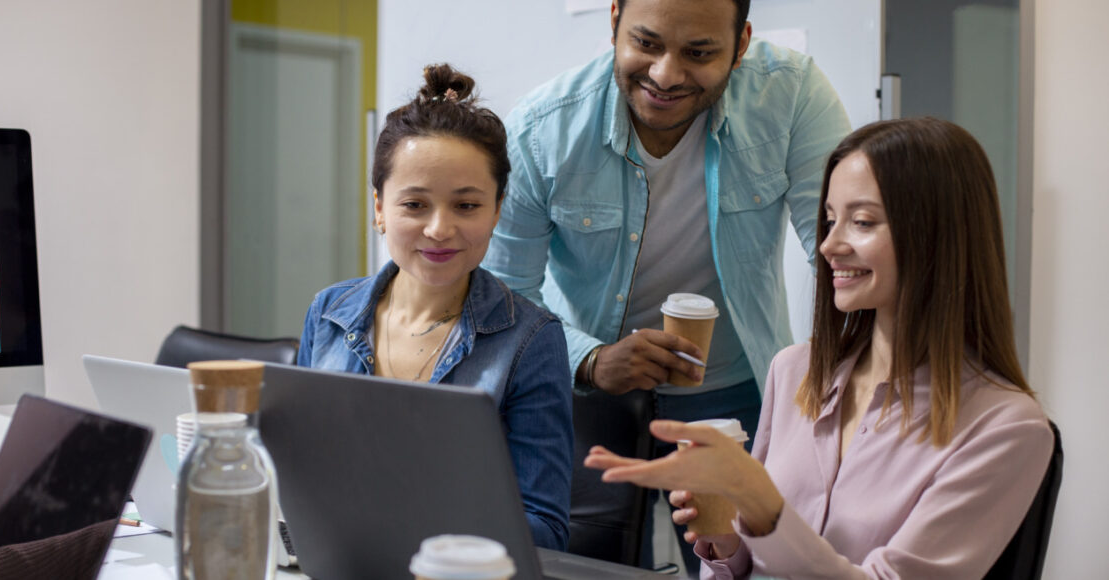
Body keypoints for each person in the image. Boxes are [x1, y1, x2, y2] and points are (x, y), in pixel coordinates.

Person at [584, 117, 1055, 578]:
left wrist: (763, 506)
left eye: (862, 221)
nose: (830, 245)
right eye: (830, 220)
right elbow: (744, 566)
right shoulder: (794, 371)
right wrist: (727, 541)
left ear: (938, 234)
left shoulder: (1007, 429)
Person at [481, 0, 849, 570]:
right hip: (586, 392)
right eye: (646, 44)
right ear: (613, 22)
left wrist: (852, 377)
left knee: (741, 565)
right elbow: (504, 290)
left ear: (742, 42)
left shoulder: (791, 95)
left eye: (699, 53)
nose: (666, 74)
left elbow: (834, 246)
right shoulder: (543, 127)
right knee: (582, 564)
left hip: (735, 392)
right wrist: (590, 359)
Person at [296, 64, 573, 551]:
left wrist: (411, 515)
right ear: (380, 207)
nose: (440, 229)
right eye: (415, 205)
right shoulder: (329, 312)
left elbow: (545, 531)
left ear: (497, 209)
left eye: (466, 206)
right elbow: (296, 472)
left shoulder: (531, 339)